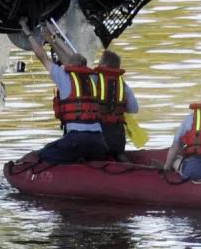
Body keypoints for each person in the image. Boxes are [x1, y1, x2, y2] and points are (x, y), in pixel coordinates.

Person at [20, 18, 109, 163]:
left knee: (41, 155)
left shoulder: (64, 78)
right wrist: (51, 38)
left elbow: (42, 55)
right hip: (99, 142)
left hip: (76, 140)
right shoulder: (93, 77)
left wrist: (27, 32)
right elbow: (70, 55)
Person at [93, 50, 139, 162]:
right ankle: (122, 159)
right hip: (118, 137)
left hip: (99, 135)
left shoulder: (93, 80)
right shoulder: (123, 85)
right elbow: (134, 109)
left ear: (103, 65)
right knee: (118, 153)